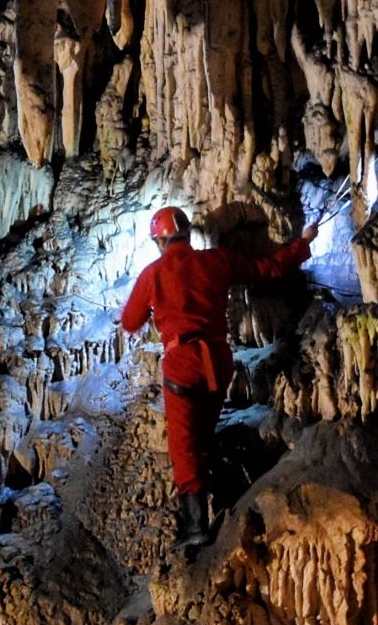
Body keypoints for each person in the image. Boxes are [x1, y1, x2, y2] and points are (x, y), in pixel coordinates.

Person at [121, 206, 316, 550]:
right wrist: (301, 244)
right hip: (218, 363)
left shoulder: (153, 273)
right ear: (186, 235)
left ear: (159, 241)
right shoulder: (215, 261)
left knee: (184, 445)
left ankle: (196, 526)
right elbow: (265, 268)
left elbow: (130, 321)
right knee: (203, 433)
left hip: (183, 363)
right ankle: (222, 493)